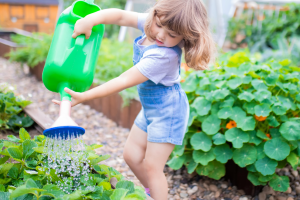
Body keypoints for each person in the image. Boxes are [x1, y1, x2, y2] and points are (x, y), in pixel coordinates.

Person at [52, 0, 215, 199]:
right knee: (131, 155)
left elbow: (123, 80)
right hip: (150, 109)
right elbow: (120, 16)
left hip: (169, 113)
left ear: (184, 37)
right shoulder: (153, 25)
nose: (160, 35)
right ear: (155, 14)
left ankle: (157, 195)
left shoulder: (164, 56)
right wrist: (91, 20)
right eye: (159, 25)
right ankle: (152, 192)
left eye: (172, 35)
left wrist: (85, 96)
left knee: (153, 166)